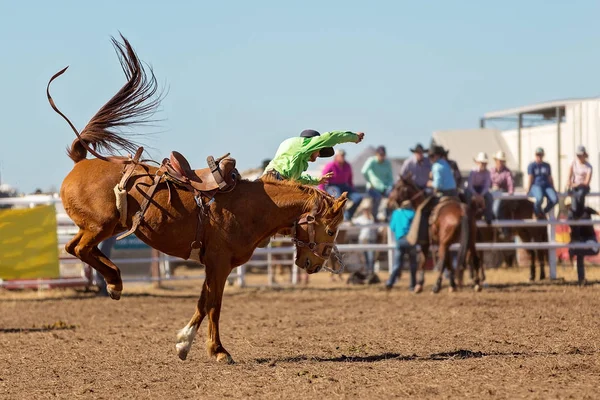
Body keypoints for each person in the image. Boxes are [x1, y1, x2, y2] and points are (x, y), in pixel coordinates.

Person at [263, 129, 364, 185]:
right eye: (320, 151)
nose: (319, 155)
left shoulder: (293, 149)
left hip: (267, 178)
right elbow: (331, 137)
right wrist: (354, 137)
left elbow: (296, 178)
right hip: (276, 180)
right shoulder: (306, 144)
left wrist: (317, 181)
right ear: (315, 146)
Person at [319, 149, 364, 220]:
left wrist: (352, 189)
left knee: (358, 198)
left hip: (344, 186)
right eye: (341, 156)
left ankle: (348, 215)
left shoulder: (347, 165)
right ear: (336, 156)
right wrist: (321, 189)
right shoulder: (330, 165)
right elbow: (323, 177)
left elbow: (350, 178)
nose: (343, 157)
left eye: (343, 156)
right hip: (332, 186)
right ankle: (339, 216)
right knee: (339, 198)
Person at [386, 200, 417, 290]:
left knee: (397, 264)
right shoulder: (413, 213)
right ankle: (412, 285)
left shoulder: (396, 213)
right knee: (413, 264)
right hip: (410, 240)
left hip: (399, 240)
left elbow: (392, 227)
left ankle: (390, 282)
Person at [361, 146, 394, 221]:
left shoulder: (387, 163)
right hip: (373, 188)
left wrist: (390, 187)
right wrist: (370, 182)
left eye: (383, 154)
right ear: (376, 154)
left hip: (385, 188)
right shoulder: (371, 161)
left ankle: (387, 216)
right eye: (380, 154)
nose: (381, 156)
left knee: (393, 196)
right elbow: (363, 171)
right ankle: (374, 216)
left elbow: (390, 178)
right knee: (377, 198)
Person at [527, 147, 558, 219]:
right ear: (535, 155)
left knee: (554, 199)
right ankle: (536, 212)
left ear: (543, 155)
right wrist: (528, 188)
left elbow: (549, 177)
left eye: (541, 155)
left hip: (546, 186)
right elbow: (530, 177)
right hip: (536, 185)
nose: (539, 157)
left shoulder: (547, 165)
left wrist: (553, 188)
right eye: (538, 155)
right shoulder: (532, 165)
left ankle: (544, 211)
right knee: (539, 198)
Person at [490, 150, 514, 238]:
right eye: (499, 160)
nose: (500, 162)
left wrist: (510, 191)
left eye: (502, 161)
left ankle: (502, 229)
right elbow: (487, 182)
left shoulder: (507, 172)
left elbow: (510, 182)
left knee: (496, 209)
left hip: (501, 192)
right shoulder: (491, 171)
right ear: (496, 161)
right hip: (492, 192)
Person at [565, 145, 593, 219]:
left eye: (580, 155)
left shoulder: (588, 166)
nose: (579, 157)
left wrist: (577, 184)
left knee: (580, 194)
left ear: (584, 155)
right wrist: (569, 182)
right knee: (574, 203)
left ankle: (579, 214)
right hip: (574, 186)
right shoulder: (573, 163)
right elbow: (569, 175)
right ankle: (575, 216)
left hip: (583, 187)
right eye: (577, 155)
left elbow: (587, 182)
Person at [465, 152, 494, 225]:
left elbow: (486, 186)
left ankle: (488, 216)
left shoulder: (487, 172)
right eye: (482, 163)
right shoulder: (473, 171)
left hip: (481, 189)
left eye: (485, 163)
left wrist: (481, 195)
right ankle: (467, 214)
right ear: (478, 163)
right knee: (467, 194)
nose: (483, 165)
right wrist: (476, 194)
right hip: (472, 188)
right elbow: (470, 185)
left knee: (489, 197)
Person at [353, 207, 378, 282]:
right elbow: (353, 222)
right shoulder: (361, 218)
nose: (366, 212)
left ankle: (371, 272)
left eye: (367, 210)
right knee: (366, 257)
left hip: (371, 239)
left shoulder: (372, 218)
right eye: (365, 210)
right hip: (364, 240)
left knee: (371, 257)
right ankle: (368, 272)